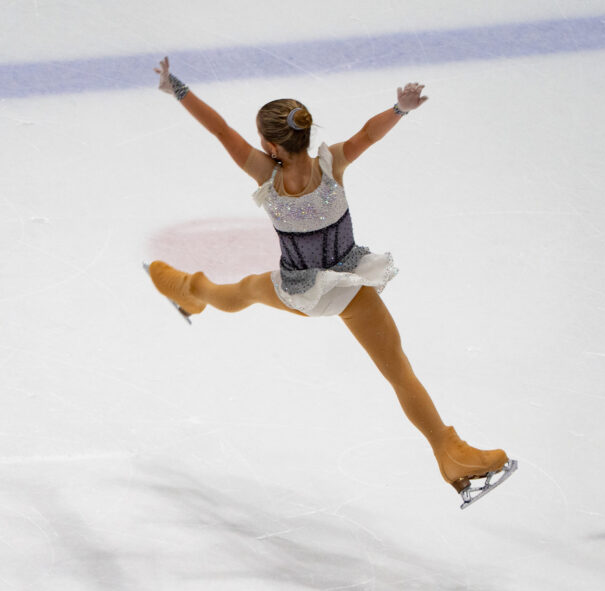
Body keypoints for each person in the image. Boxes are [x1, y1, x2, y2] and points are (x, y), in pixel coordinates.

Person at [146, 57, 516, 508]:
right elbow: (368, 133)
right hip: (349, 288)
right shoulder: (332, 163)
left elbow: (220, 130)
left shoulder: (266, 176)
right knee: (400, 372)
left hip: (300, 291)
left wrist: (176, 87)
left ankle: (191, 291)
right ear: (306, 133)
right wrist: (400, 108)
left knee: (240, 292)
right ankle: (448, 452)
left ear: (270, 145)